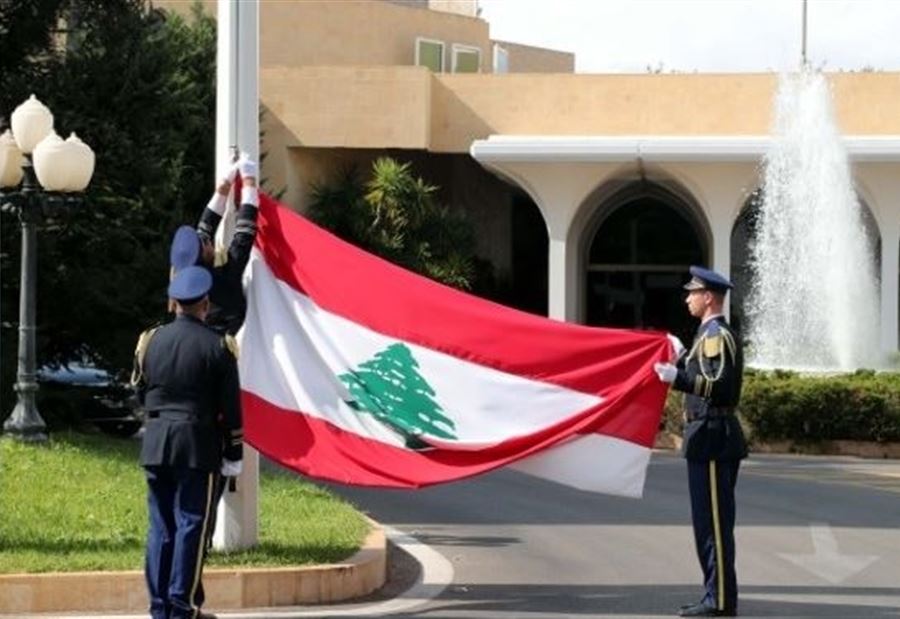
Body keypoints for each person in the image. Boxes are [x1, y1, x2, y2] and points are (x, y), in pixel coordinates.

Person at [133, 265, 243, 619]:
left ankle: (159, 606)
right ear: (205, 303)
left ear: (175, 302)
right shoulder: (219, 346)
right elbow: (230, 408)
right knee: (191, 524)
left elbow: (139, 389)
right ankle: (182, 606)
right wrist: (234, 450)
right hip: (197, 445)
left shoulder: (150, 340)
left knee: (160, 526)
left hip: (156, 441)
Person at [654, 266, 748, 618]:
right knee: (708, 524)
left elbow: (718, 386)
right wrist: (681, 359)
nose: (687, 298)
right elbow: (704, 374)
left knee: (713, 526)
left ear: (708, 297)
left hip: (712, 436)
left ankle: (720, 601)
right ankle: (716, 595)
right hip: (708, 436)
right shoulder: (706, 334)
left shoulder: (715, 335)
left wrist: (676, 377)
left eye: (692, 292)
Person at [170, 154, 260, 336]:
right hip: (227, 344)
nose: (209, 240)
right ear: (203, 255)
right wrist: (249, 181)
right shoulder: (221, 281)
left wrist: (224, 186)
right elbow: (244, 234)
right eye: (206, 243)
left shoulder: (182, 270)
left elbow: (204, 228)